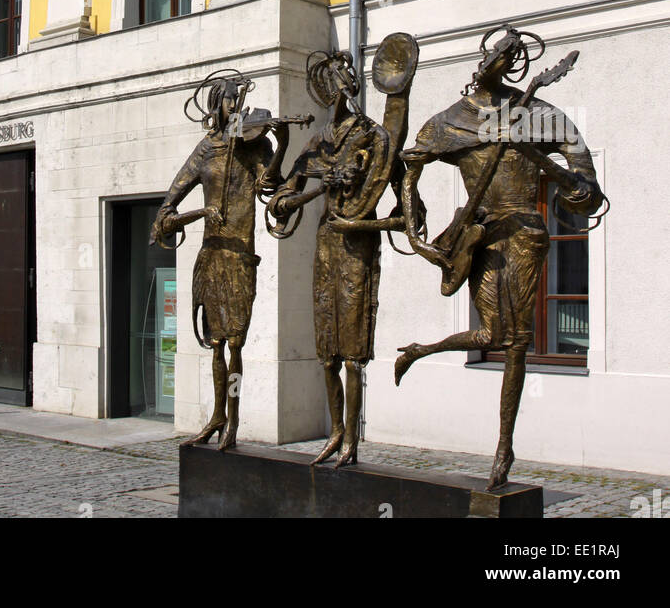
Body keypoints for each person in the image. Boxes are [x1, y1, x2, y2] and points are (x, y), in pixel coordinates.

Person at [394, 24, 605, 491]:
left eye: (512, 55)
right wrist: (416, 237)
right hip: (480, 235)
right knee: (494, 333)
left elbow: (586, 187)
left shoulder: (538, 114)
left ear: (519, 63)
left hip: (526, 232)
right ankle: (420, 350)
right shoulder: (450, 120)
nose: (504, 61)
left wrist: (568, 180)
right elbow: (407, 177)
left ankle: (504, 449)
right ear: (484, 59)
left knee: (514, 344)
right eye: (498, 54)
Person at [266, 35, 419, 468]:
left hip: (356, 247)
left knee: (353, 352)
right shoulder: (315, 144)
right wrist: (316, 185)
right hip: (325, 247)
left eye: (341, 82)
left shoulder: (373, 136)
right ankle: (335, 431)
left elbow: (405, 194)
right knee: (326, 351)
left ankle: (352, 438)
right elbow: (280, 204)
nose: (337, 92)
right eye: (330, 84)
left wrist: (399, 220)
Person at [149, 72, 295, 449]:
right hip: (210, 257)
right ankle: (216, 415)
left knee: (235, 345)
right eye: (230, 101)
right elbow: (165, 215)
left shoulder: (255, 145)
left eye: (237, 101)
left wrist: (282, 144)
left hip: (241, 258)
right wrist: (201, 213)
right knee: (215, 344)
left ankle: (233, 417)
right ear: (216, 105)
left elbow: (270, 186)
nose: (236, 107)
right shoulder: (206, 149)